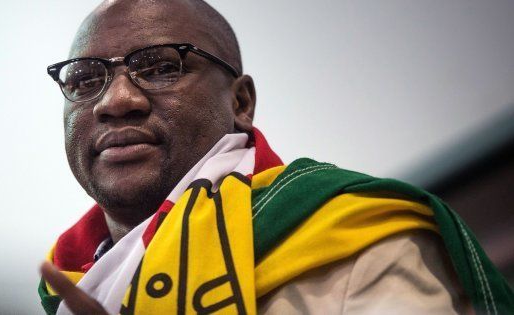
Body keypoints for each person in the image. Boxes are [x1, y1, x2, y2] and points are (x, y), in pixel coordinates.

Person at [39, 1, 514, 314]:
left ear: (241, 103)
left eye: (163, 66)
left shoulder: (359, 244)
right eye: (84, 79)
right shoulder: (68, 281)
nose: (115, 99)